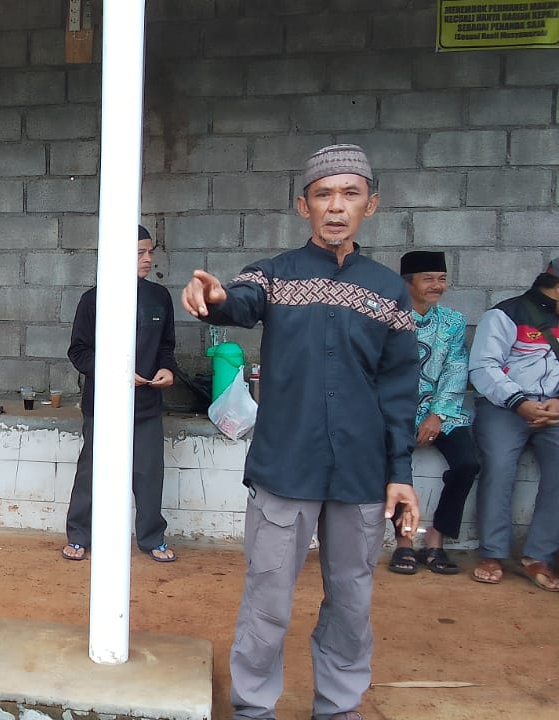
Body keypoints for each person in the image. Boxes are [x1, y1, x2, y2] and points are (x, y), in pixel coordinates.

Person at [180, 144, 420, 720]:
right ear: (302, 205)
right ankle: (253, 708)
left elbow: (398, 389)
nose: (336, 207)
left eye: (350, 194)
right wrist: (215, 300)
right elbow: (238, 301)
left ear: (371, 205)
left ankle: (338, 707)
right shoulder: (274, 275)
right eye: (323, 194)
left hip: (361, 473)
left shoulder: (388, 291)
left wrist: (400, 473)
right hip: (286, 468)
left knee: (352, 601)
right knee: (268, 599)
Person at [62, 224, 178, 562]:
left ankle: (152, 538)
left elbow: (166, 346)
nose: (148, 259)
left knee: (148, 474)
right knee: (92, 472)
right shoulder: (94, 300)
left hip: (146, 405)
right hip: (104, 405)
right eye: (140, 253)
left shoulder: (159, 298)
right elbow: (78, 352)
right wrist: (116, 373)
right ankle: (79, 535)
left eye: (150, 252)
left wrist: (167, 370)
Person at [384, 251, 478, 576]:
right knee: (394, 462)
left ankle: (436, 537)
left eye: (441, 279)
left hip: (442, 411)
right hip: (396, 412)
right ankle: (404, 542)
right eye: (429, 279)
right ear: (407, 283)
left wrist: (437, 414)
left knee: (467, 464)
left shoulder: (452, 321)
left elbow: (456, 367)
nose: (438, 286)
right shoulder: (387, 320)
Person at [467, 258, 559, 590]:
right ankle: (492, 553)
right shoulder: (505, 314)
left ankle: (538, 556)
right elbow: (483, 367)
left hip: (553, 409)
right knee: (498, 465)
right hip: (505, 407)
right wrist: (519, 403)